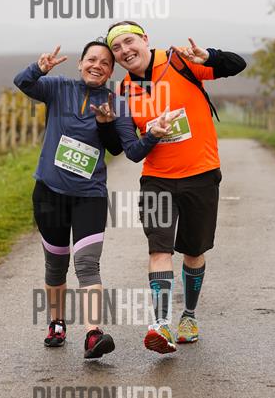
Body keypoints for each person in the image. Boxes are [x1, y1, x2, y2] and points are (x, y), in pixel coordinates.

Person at [14, 41, 170, 359]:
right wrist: (39, 69)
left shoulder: (117, 104)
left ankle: (93, 333)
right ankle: (57, 323)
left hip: (90, 196)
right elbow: (23, 83)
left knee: (87, 264)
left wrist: (151, 135)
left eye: (105, 63)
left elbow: (128, 151)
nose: (97, 65)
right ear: (81, 63)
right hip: (49, 193)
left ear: (111, 71)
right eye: (91, 59)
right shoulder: (59, 88)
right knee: (55, 265)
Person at [102, 20, 247, 354]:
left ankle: (189, 316)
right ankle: (161, 324)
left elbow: (237, 65)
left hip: (201, 174)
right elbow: (129, 150)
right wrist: (149, 134)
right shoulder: (123, 92)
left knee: (194, 251)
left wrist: (209, 56)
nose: (125, 51)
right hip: (157, 180)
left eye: (129, 42)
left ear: (144, 39)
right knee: (159, 250)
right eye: (117, 48)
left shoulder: (180, 61)